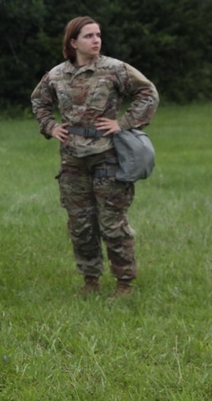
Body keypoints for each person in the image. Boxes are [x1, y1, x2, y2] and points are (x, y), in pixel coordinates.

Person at [30, 16, 159, 298]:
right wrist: (50, 127)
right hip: (72, 161)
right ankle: (90, 281)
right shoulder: (56, 75)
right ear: (73, 42)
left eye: (98, 34)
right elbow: (38, 101)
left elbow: (148, 93)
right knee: (81, 224)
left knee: (113, 224)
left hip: (107, 158)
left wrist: (124, 124)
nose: (96, 40)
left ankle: (124, 282)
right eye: (89, 36)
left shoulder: (114, 69)